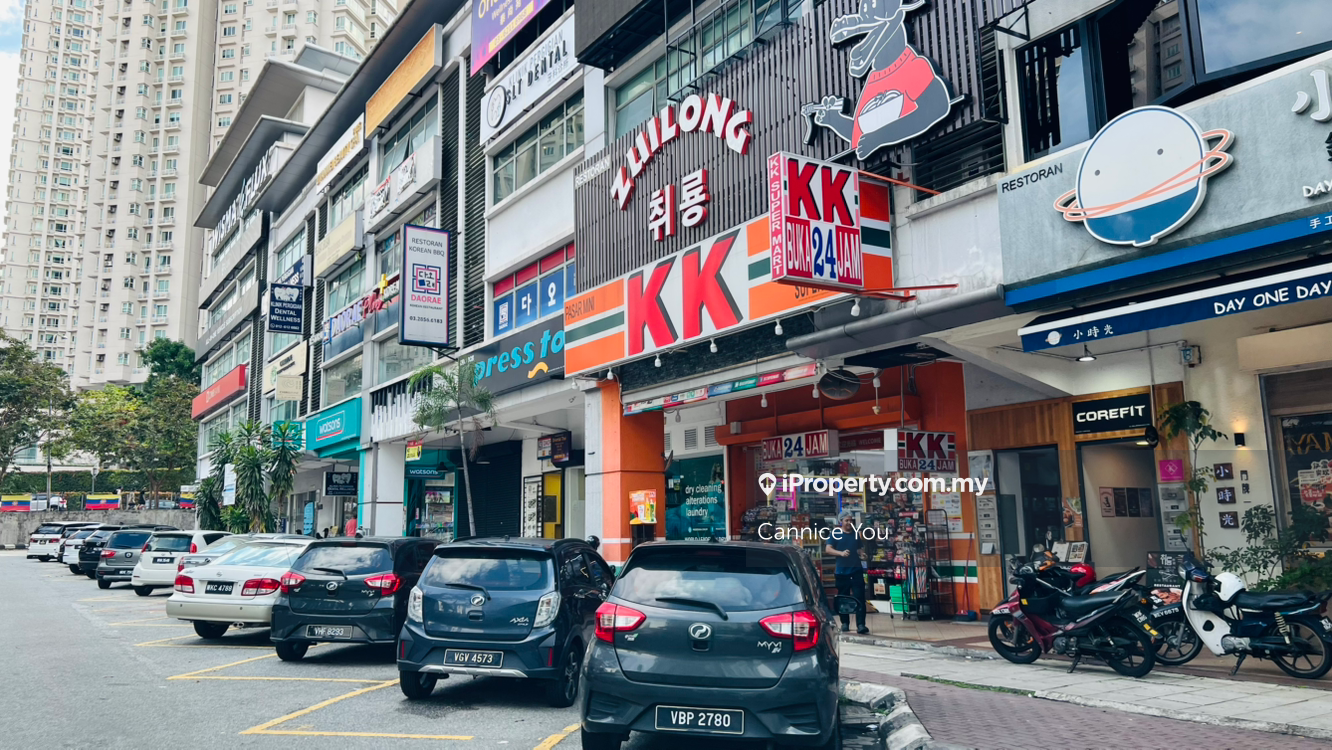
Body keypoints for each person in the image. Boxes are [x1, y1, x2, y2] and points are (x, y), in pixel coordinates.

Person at [825, 512, 868, 634]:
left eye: (851, 520)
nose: (849, 523)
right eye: (847, 521)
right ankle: (845, 623)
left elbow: (859, 549)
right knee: (843, 598)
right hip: (842, 572)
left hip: (856, 570)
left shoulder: (855, 534)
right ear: (841, 522)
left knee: (860, 597)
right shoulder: (835, 534)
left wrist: (862, 554)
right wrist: (841, 553)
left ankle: (861, 624)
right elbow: (828, 549)